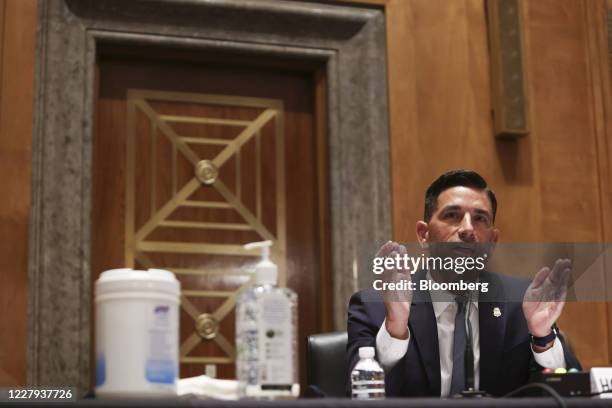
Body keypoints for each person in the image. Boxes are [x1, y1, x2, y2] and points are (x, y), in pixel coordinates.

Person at [346, 169, 581, 397]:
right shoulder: (375, 307)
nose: (468, 229)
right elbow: (356, 398)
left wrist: (542, 337)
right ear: (423, 235)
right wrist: (395, 328)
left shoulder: (521, 302)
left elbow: (573, 392)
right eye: (452, 215)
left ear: (492, 241)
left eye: (480, 219)